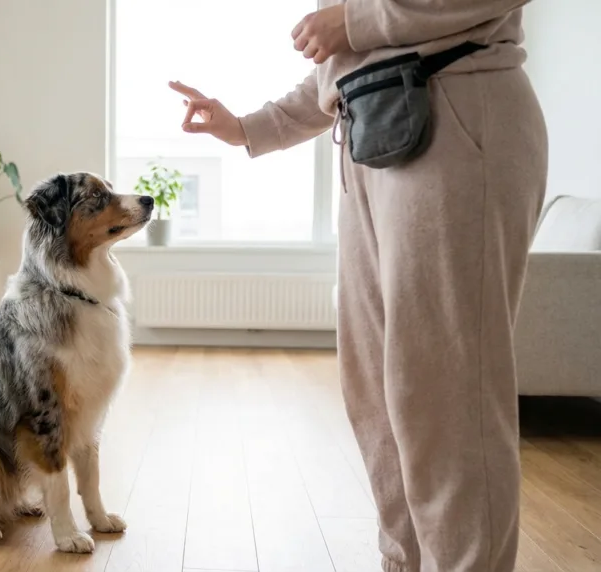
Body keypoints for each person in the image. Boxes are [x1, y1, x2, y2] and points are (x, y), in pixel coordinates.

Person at [170, 2, 545, 572]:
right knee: (373, 387)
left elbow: (360, 30)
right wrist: (250, 126)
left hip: (456, 110)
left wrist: (358, 20)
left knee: (445, 390)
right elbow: (345, 61)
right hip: (370, 130)